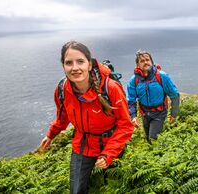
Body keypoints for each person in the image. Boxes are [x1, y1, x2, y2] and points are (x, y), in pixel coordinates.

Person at [39, 41, 134, 194]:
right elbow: (62, 118)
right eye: (68, 63)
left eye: (80, 61)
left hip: (111, 142)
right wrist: (50, 135)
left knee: (113, 187)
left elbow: (126, 125)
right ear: (63, 66)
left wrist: (108, 153)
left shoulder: (110, 89)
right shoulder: (62, 90)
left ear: (89, 65)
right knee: (76, 190)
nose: (75, 68)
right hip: (82, 145)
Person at [127, 49, 180, 144]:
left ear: (151, 62)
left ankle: (160, 155)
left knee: (153, 138)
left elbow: (174, 95)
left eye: (147, 60)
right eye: (142, 61)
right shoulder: (134, 80)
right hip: (144, 113)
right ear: (138, 65)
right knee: (147, 137)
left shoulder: (162, 76)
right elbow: (131, 100)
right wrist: (133, 116)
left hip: (159, 112)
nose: (145, 62)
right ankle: (154, 153)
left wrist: (174, 114)